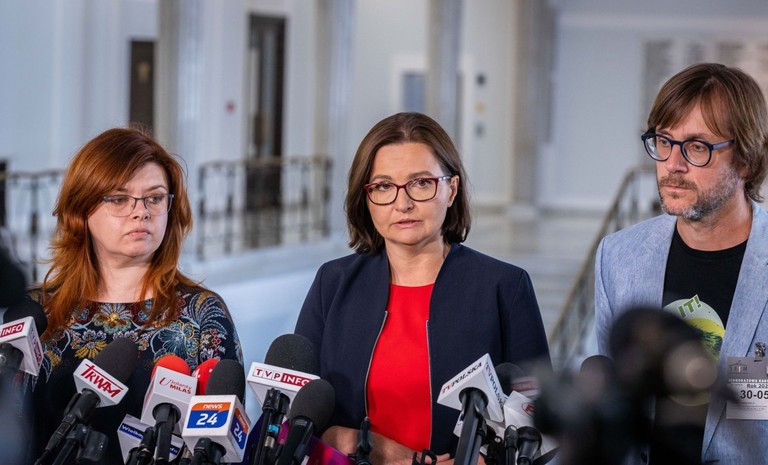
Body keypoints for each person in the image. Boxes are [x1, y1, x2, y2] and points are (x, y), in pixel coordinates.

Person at [295, 112, 551, 463]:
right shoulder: (333, 283)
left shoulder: (504, 288)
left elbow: (540, 425)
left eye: (421, 183)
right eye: (383, 186)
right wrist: (380, 450)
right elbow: (301, 414)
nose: (403, 204)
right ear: (365, 197)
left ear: (451, 189)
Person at [29, 127, 243, 465]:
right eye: (119, 198)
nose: (141, 211)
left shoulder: (204, 315)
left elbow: (223, 447)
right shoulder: (36, 313)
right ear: (81, 209)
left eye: (154, 198)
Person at [595, 63, 768, 464]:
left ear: (745, 159)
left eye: (697, 147)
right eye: (664, 141)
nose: (673, 164)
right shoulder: (618, 256)